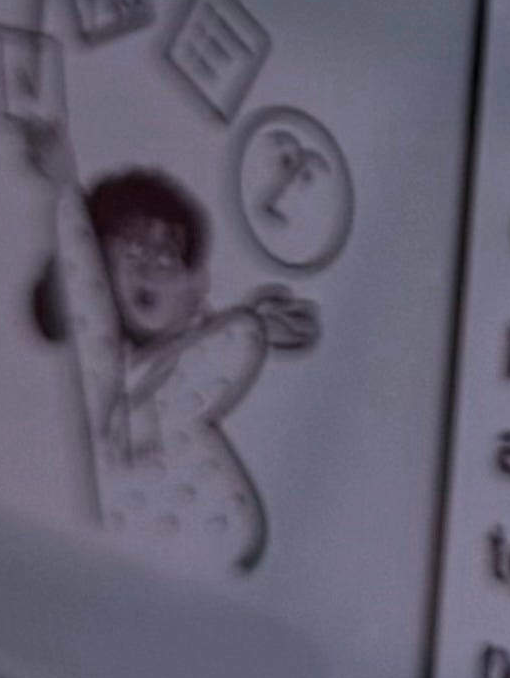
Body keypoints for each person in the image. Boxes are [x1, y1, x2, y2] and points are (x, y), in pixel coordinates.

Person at [19, 116, 310, 573]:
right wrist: (65, 190)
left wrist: (247, 326)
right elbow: (87, 298)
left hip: (219, 560)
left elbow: (199, 369)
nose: (149, 266)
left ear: (196, 288)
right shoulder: (108, 375)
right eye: (130, 251)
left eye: (167, 257)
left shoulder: (175, 365)